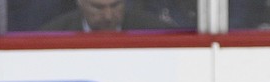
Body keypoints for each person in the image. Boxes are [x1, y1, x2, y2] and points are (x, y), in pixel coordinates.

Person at [39, 0, 171, 31]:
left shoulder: (152, 30)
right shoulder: (54, 33)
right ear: (80, 3)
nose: (108, 16)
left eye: (115, 6)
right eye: (98, 8)